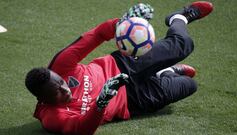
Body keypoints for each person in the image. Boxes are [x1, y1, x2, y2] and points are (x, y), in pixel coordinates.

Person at [25, 1, 213, 135]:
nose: (64, 89)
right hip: (131, 102)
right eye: (56, 92)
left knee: (183, 44)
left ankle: (179, 18)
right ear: (43, 99)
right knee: (189, 85)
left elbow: (97, 34)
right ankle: (166, 72)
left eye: (61, 82)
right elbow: (81, 129)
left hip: (122, 66)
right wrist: (101, 102)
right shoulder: (51, 117)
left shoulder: (60, 64)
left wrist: (124, 23)